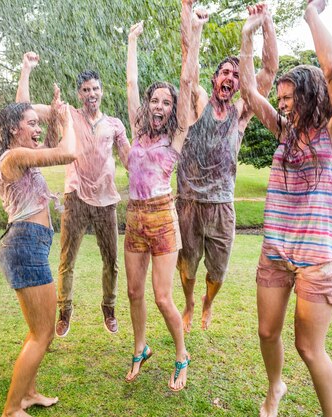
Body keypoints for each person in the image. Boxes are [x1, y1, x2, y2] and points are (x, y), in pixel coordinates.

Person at [239, 1, 332, 416]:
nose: (283, 104)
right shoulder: (285, 133)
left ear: (311, 93)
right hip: (276, 251)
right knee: (266, 331)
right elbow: (249, 93)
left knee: (309, 348)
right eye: (281, 98)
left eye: (290, 97)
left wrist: (311, 14)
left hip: (318, 258)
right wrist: (248, 35)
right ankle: (275, 387)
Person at [177, 0, 278, 333]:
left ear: (238, 84)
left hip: (222, 207)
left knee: (217, 272)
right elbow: (187, 67)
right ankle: (190, 303)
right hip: (189, 203)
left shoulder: (241, 113)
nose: (231, 77)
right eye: (225, 72)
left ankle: (207, 303)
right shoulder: (201, 102)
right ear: (215, 77)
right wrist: (189, 15)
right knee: (187, 266)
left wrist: (266, 23)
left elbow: (268, 72)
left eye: (236, 75)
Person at [16, 53, 131, 337]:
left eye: (95, 88)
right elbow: (23, 108)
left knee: (112, 261)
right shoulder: (68, 114)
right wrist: (27, 70)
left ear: (101, 91)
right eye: (85, 89)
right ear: (79, 94)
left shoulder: (114, 124)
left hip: (106, 202)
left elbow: (131, 160)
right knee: (67, 259)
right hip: (76, 198)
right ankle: (65, 311)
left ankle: (109, 307)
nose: (91, 94)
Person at [123, 7, 208, 391]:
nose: (159, 106)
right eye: (154, 101)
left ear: (173, 110)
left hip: (161, 218)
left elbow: (188, 84)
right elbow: (129, 84)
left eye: (165, 103)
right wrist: (131, 42)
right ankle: (141, 348)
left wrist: (196, 33)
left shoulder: (176, 138)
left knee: (161, 297)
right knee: (134, 292)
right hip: (134, 218)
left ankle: (181, 353)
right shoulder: (137, 132)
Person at [0, 88, 77, 417]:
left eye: (38, 124)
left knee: (39, 331)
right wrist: (67, 119)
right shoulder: (14, 157)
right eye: (31, 124)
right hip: (25, 246)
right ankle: (12, 408)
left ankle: (28, 393)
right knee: (42, 334)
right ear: (14, 129)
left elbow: (21, 107)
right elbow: (68, 152)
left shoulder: (18, 153)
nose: (38, 129)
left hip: (29, 245)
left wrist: (46, 109)